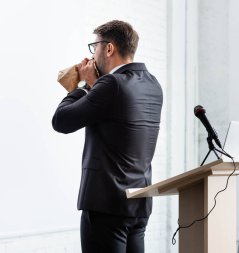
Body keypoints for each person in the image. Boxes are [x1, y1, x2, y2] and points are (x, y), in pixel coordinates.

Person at [52, 20, 163, 253]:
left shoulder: (111, 84)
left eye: (95, 47)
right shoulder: (153, 84)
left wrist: (82, 84)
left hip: (106, 205)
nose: (93, 54)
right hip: (138, 203)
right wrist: (96, 85)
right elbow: (115, 116)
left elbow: (61, 121)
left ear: (109, 48)